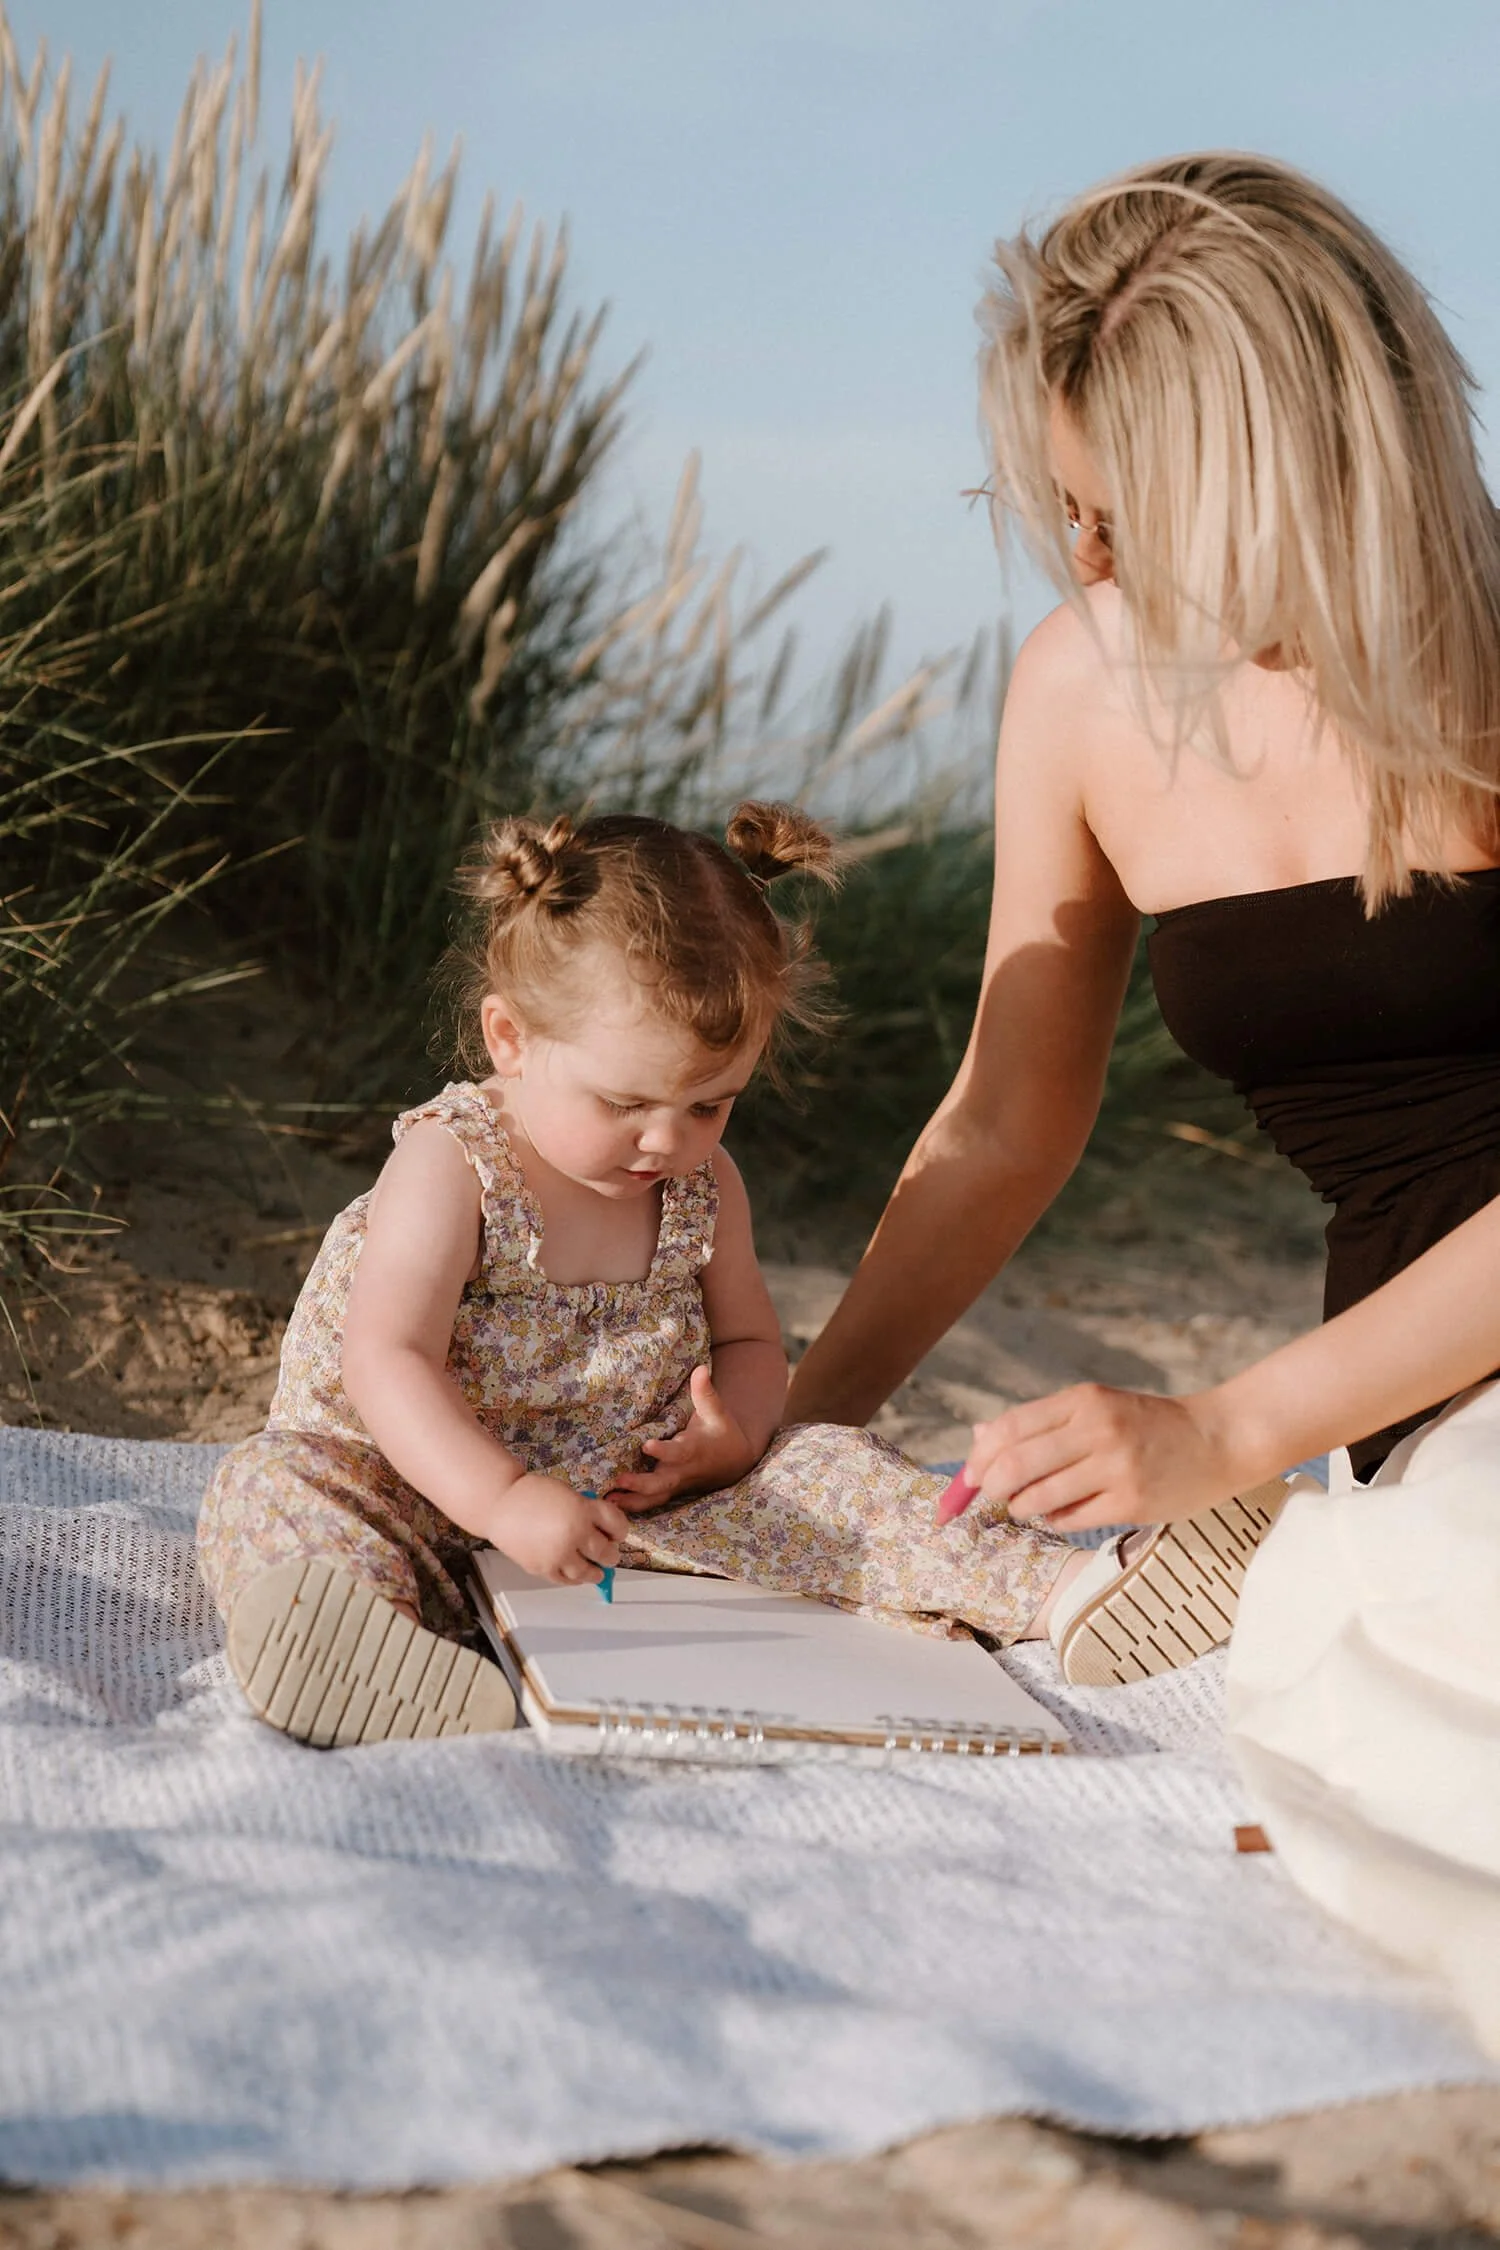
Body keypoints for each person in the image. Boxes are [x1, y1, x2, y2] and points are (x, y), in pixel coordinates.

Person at [782, 152, 1500, 2050]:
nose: (1085, 564)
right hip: (1421, 1384)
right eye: (1064, 511)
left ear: (1290, 465)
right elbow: (1007, 1123)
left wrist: (1227, 1429)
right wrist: (804, 1425)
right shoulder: (1087, 692)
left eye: (1126, 514)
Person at [198, 802, 1081, 1749]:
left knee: (833, 1468)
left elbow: (749, 1341)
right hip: (417, 1494)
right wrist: (501, 1499)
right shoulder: (454, 1164)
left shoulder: (702, 1188)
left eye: (711, 1105)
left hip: (636, 1517)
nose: (668, 1140)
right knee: (272, 1483)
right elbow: (388, 1359)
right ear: (511, 1039)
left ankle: (1066, 1590)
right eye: (626, 1102)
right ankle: (367, 1642)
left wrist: (732, 1437)